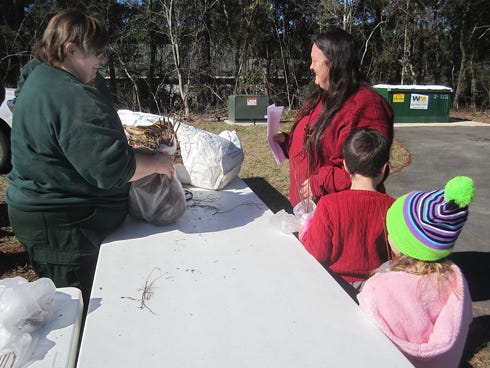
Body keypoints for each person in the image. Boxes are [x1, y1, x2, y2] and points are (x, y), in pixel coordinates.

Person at [5, 9, 174, 304]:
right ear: (71, 50)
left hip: (52, 217)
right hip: (64, 227)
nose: (101, 61)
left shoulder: (42, 76)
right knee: (77, 310)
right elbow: (113, 168)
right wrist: (158, 162)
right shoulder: (70, 95)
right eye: (96, 53)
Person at [357, 176, 474, 368]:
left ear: (405, 245)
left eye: (392, 231)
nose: (387, 235)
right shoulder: (458, 286)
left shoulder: (378, 290)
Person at [274, 28, 394, 207]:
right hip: (311, 213)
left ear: (334, 63)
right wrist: (288, 141)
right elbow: (317, 137)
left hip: (341, 214)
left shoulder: (366, 105)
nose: (311, 66)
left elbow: (369, 166)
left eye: (315, 61)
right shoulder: (322, 96)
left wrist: (323, 181)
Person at [299, 128, 395, 288]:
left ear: (345, 166)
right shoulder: (393, 206)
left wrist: (304, 235)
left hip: (336, 286)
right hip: (378, 287)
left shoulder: (328, 204)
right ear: (384, 169)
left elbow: (318, 252)